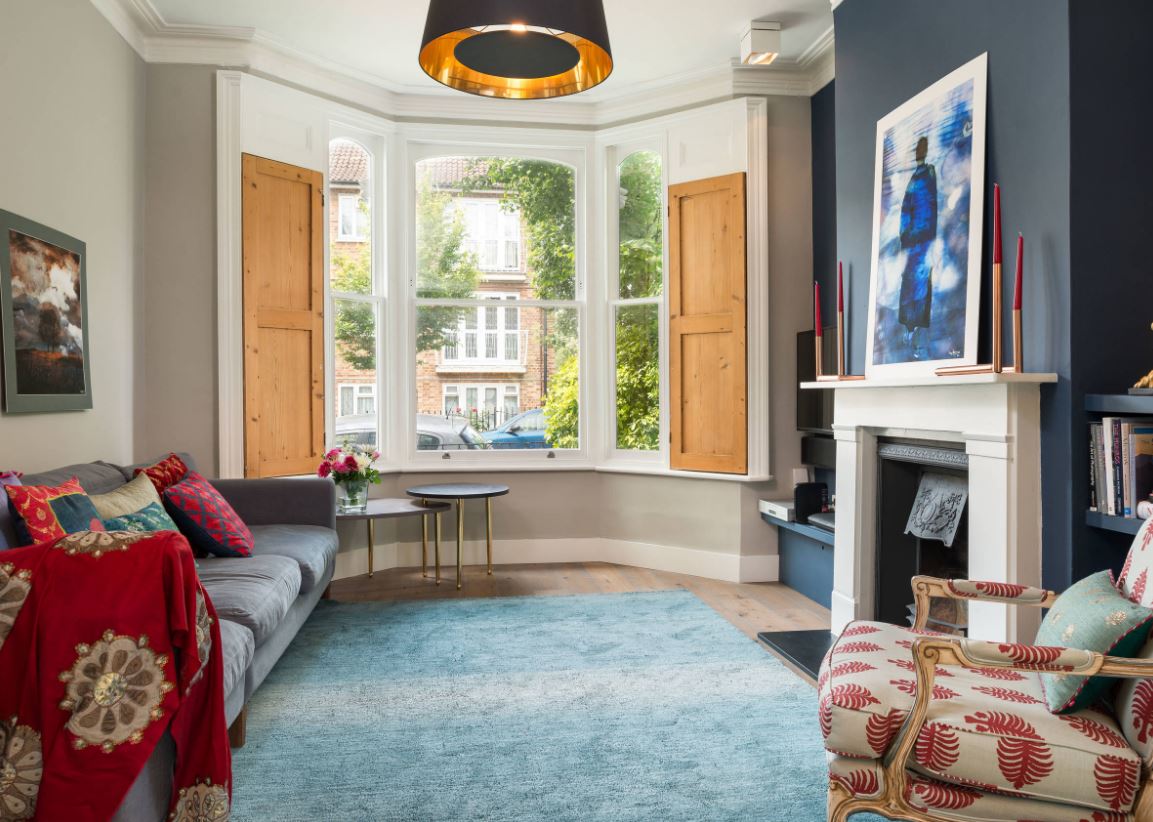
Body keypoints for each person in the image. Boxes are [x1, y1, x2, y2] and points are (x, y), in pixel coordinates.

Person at [898, 135, 938, 358]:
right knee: (912, 285)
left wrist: (911, 236)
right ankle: (911, 330)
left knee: (919, 285)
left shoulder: (926, 175)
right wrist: (905, 236)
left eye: (920, 149)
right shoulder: (917, 178)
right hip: (915, 243)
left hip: (922, 242)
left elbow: (929, 209)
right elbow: (906, 211)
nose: (918, 153)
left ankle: (916, 333)